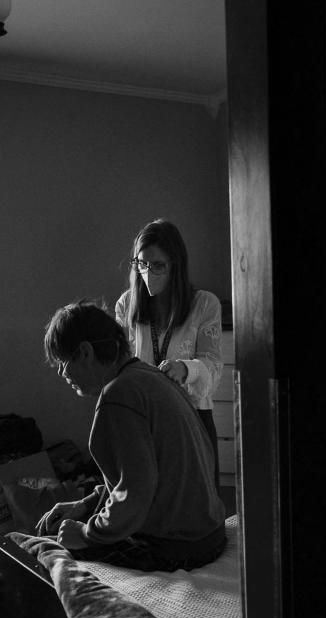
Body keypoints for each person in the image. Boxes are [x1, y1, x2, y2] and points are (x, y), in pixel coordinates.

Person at [38, 300, 226, 571]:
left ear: (85, 352)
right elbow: (146, 473)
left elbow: (136, 491)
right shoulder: (149, 376)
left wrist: (86, 534)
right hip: (209, 534)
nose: (61, 373)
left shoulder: (118, 395)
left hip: (178, 548)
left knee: (45, 548)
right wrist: (87, 504)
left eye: (63, 362)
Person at [115, 219, 224, 490]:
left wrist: (186, 369)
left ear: (176, 265)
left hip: (191, 417)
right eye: (142, 264)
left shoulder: (204, 304)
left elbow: (213, 367)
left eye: (158, 265)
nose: (148, 273)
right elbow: (120, 365)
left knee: (197, 501)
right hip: (144, 419)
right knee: (150, 504)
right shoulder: (127, 304)